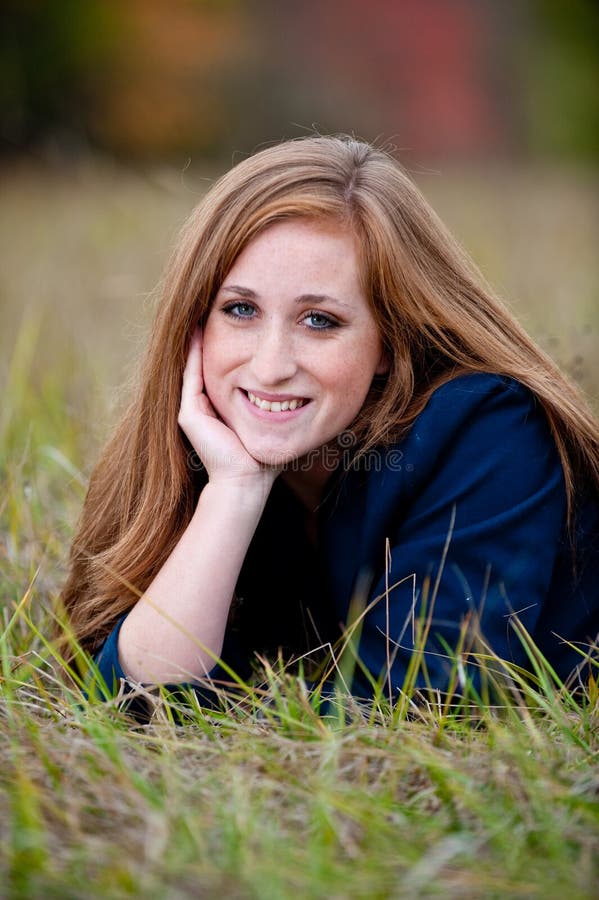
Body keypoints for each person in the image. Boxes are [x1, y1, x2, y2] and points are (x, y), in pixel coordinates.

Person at [60, 135, 599, 708]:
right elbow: (129, 701)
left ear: (392, 341)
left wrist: (231, 708)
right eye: (240, 310)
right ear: (194, 324)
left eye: (319, 321)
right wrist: (236, 491)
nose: (270, 367)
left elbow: (421, 708)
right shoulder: (195, 455)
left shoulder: (486, 431)